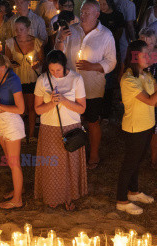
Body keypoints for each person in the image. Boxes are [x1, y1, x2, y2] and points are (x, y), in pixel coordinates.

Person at [116, 40, 157, 215]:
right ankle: (121, 200)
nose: (149, 57)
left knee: (137, 162)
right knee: (129, 164)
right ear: (134, 56)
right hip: (134, 128)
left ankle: (133, 192)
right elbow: (152, 101)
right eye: (145, 54)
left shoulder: (146, 75)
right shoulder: (129, 80)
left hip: (146, 125)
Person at [55, 0, 117, 169]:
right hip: (70, 87)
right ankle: (73, 151)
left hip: (92, 87)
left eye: (87, 13)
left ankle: (94, 153)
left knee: (92, 120)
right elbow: (57, 55)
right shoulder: (71, 31)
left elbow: (111, 62)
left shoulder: (106, 35)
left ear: (97, 14)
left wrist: (93, 66)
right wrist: (60, 39)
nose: (82, 16)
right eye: (81, 12)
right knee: (72, 121)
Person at [34, 50, 87, 211]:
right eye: (51, 71)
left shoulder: (76, 79)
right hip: (49, 128)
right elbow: (37, 109)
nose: (55, 74)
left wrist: (63, 100)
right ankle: (52, 196)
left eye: (58, 70)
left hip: (71, 127)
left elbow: (82, 108)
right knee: (52, 165)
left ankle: (69, 197)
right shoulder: (42, 80)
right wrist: (52, 103)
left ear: (64, 66)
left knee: (69, 165)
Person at [0, 52, 26, 209]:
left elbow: (21, 109)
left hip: (11, 122)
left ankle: (17, 200)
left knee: (14, 163)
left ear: (2, 67)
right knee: (10, 160)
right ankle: (17, 190)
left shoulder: (13, 80)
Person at [5, 16, 44, 143]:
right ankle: (20, 135)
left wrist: (37, 64)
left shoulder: (37, 42)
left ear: (28, 28)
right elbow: (6, 62)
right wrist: (11, 64)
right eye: (16, 29)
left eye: (21, 29)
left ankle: (31, 134)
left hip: (32, 79)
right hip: (17, 80)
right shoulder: (10, 43)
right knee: (19, 109)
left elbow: (42, 60)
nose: (18, 32)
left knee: (31, 107)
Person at [139, 27, 157, 169]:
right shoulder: (136, 56)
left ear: (155, 43)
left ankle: (154, 157)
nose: (148, 47)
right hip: (143, 95)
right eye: (144, 43)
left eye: (150, 43)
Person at [99, 0, 125, 121]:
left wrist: (108, 41)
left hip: (111, 50)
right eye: (99, 3)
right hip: (98, 52)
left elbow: (119, 33)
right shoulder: (98, 14)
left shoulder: (117, 16)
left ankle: (107, 111)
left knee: (109, 80)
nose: (101, 6)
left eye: (103, 3)